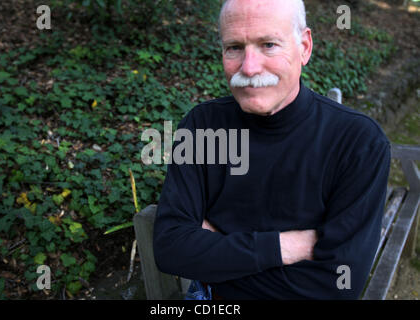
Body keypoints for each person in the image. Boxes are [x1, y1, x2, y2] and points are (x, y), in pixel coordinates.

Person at [153, 0, 391, 299]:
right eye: (234, 47)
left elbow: (339, 287)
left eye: (268, 44)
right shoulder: (203, 126)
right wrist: (288, 247)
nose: (249, 68)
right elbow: (171, 250)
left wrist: (219, 255)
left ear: (304, 47)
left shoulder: (358, 141)